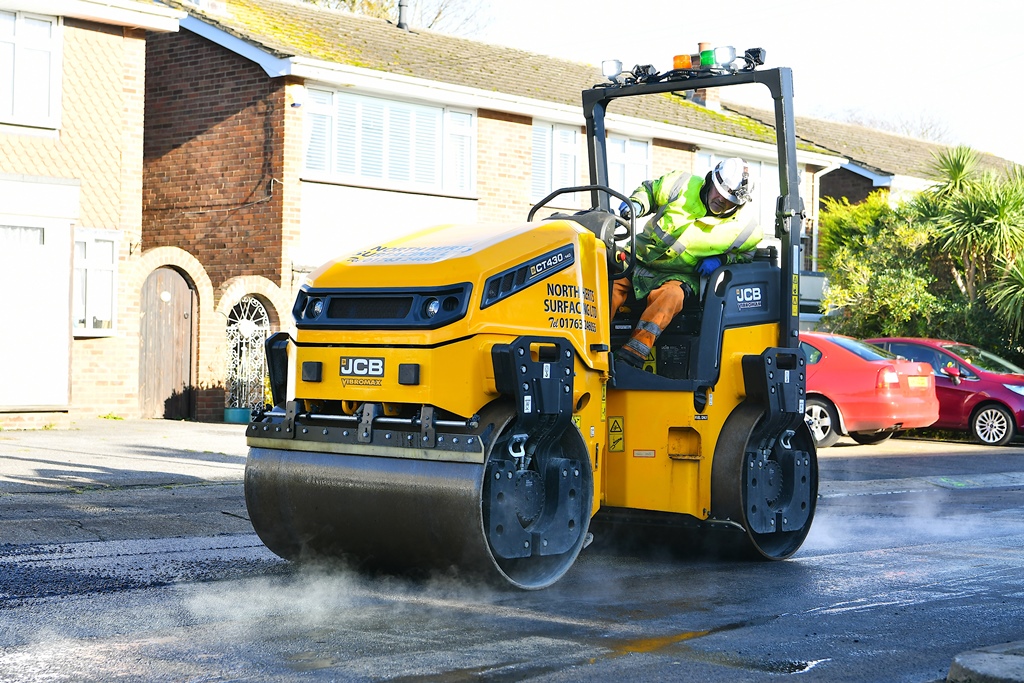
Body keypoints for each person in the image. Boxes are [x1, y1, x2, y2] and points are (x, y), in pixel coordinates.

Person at [611, 157, 761, 368]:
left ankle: (632, 356)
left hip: (678, 276)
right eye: (720, 192)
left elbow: (747, 256)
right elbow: (651, 191)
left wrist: (721, 260)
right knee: (608, 284)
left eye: (730, 201)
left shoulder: (746, 228)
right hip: (639, 259)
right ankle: (591, 345)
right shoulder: (681, 184)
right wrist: (637, 204)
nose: (722, 200)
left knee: (671, 297)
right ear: (711, 180)